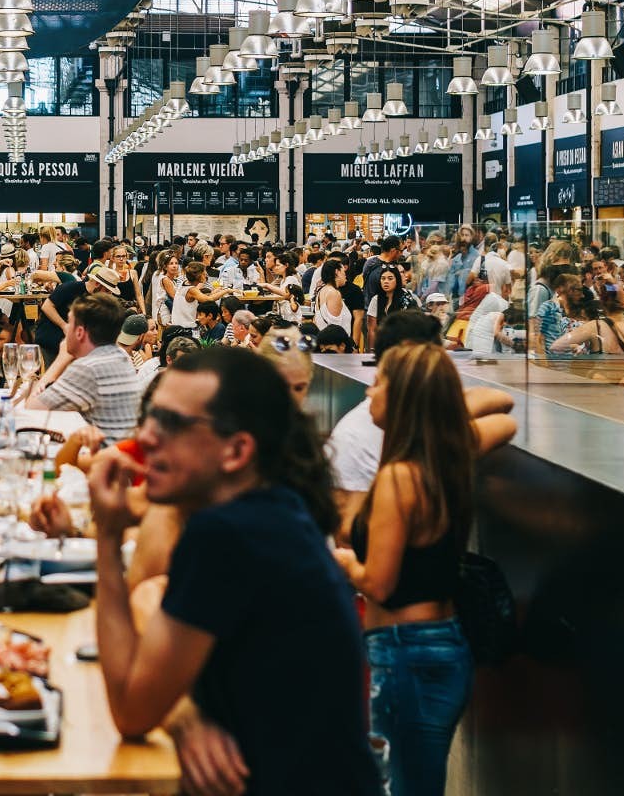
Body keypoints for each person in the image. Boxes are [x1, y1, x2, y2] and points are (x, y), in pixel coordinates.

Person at [91, 347, 382, 795]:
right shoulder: (274, 512)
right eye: (149, 417)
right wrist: (185, 712)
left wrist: (108, 538)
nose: (145, 437)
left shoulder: (228, 534)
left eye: (171, 424)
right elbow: (152, 593)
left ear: (237, 450)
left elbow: (131, 711)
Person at [334, 342, 484, 796]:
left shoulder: (400, 476)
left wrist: (343, 561)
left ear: (403, 398)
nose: (368, 394)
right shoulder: (445, 458)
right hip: (440, 643)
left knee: (399, 784)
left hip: (405, 651)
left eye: (379, 384)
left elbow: (378, 580)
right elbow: (505, 412)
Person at [327, 310, 517, 524]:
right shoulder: (355, 435)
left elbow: (503, 406)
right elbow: (345, 530)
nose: (370, 391)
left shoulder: (426, 437)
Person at [26, 293, 140, 441]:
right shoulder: (120, 355)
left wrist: (61, 359)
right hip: (120, 451)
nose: (66, 328)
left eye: (69, 323)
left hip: (103, 457)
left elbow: (33, 408)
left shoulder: (89, 368)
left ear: (79, 332)